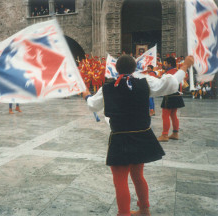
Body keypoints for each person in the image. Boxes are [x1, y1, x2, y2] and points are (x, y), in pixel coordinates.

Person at [82, 55, 194, 216]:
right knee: (138, 175)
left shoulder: (106, 88)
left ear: (116, 69)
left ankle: (124, 213)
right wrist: (184, 66)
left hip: (120, 137)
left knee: (120, 181)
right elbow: (171, 84)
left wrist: (86, 95)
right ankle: (144, 209)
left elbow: (92, 105)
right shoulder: (145, 82)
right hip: (141, 134)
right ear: (135, 68)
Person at [158, 57, 185, 142]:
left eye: (165, 63)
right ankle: (175, 133)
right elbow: (183, 84)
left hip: (169, 96)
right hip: (177, 95)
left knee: (165, 115)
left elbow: (162, 84)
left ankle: (165, 134)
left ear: (169, 64)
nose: (164, 65)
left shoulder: (167, 74)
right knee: (173, 115)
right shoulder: (178, 72)